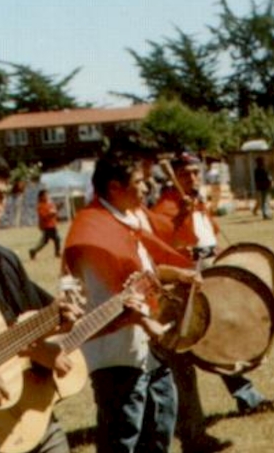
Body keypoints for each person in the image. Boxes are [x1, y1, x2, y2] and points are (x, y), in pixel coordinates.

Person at [63, 151, 200, 453]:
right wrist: (145, 321)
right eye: (139, 182)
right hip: (117, 356)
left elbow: (143, 273)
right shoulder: (92, 232)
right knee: (123, 440)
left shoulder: (123, 221)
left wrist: (177, 273)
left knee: (159, 431)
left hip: (149, 349)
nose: (146, 188)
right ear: (115, 187)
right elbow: (111, 298)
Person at [152, 153, 274, 453]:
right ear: (175, 176)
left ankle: (248, 397)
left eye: (196, 173)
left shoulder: (197, 202)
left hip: (212, 281)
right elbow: (161, 249)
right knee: (183, 360)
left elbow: (211, 239)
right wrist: (180, 219)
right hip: (182, 291)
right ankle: (193, 432)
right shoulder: (164, 209)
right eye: (186, 174)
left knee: (226, 339)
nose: (193, 179)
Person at [0, 148, 83, 453]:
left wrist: (54, 329)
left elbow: (24, 325)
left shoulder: (5, 259)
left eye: (1, 197)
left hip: (31, 410)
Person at [29, 189, 61, 260]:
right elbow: (43, 216)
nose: (47, 196)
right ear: (41, 197)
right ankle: (57, 253)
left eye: (47, 195)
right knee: (55, 239)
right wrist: (52, 213)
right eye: (45, 195)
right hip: (47, 226)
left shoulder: (50, 204)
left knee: (49, 240)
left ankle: (33, 251)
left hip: (52, 224)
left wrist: (57, 209)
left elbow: (54, 212)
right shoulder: (40, 206)